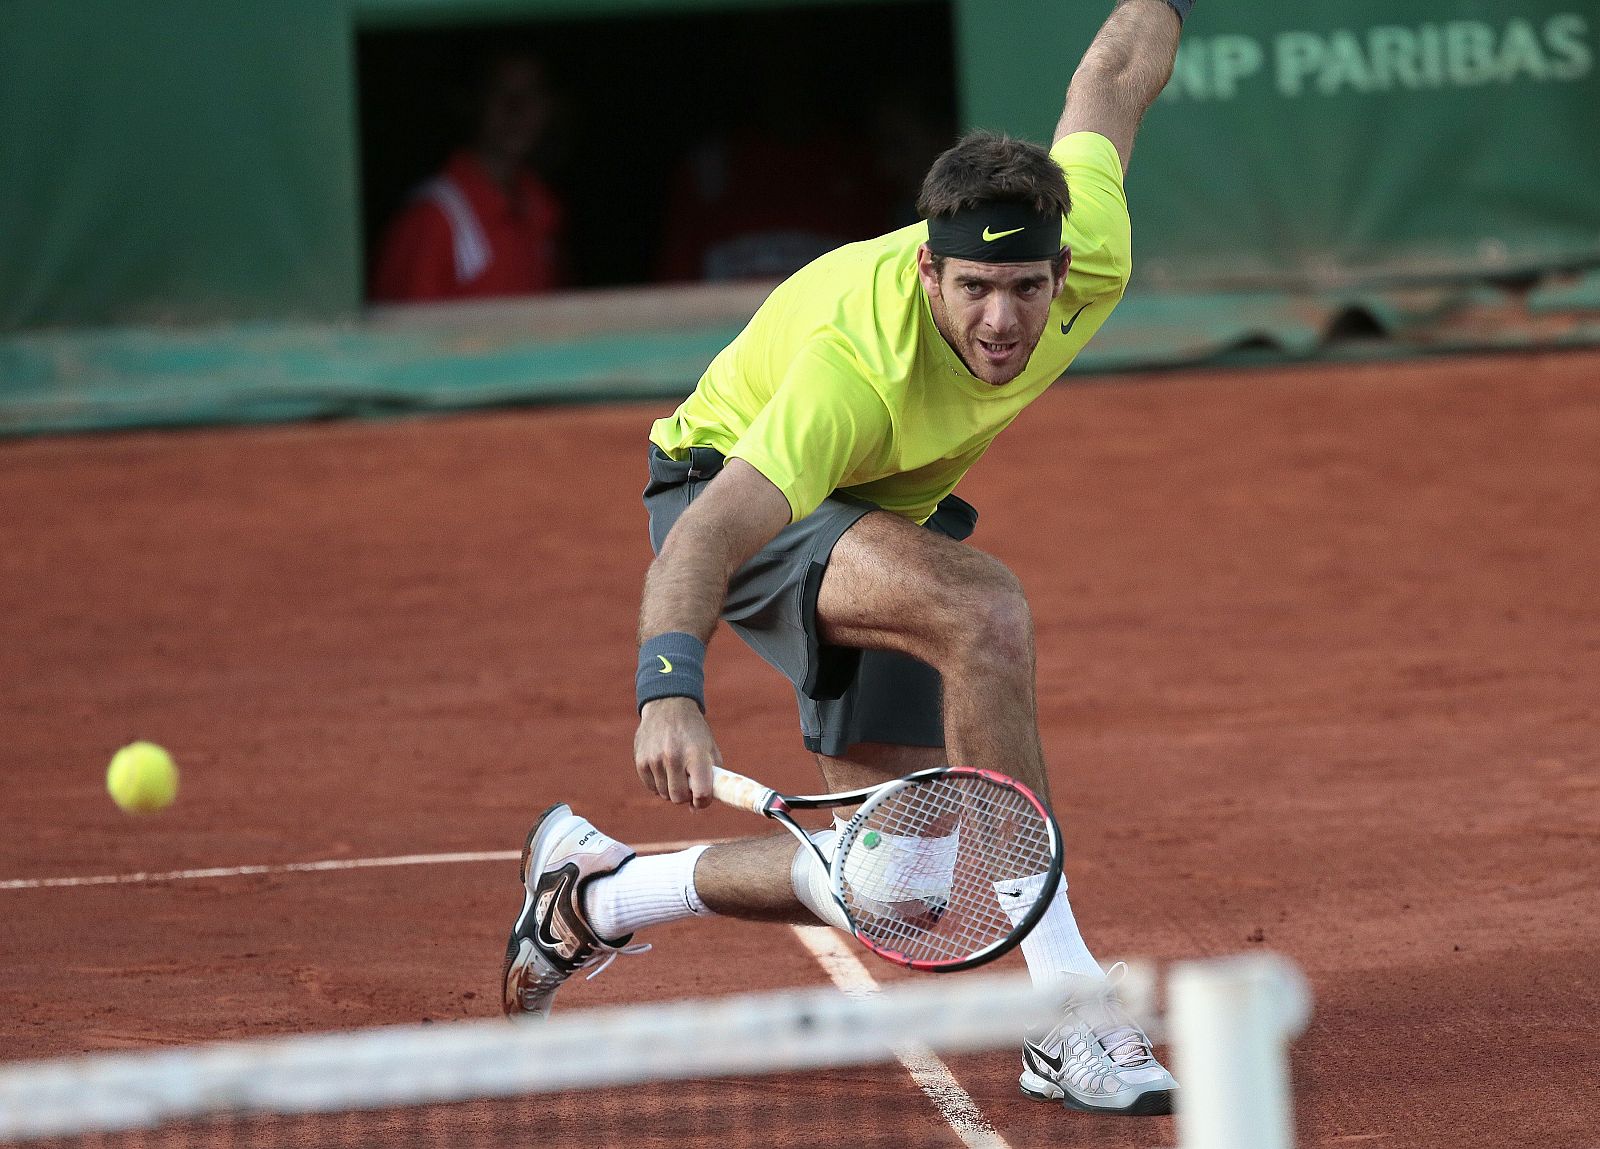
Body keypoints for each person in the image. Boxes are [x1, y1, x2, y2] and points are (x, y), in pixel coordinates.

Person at [502, 0, 1190, 1117]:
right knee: (985, 611)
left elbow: (1114, 72)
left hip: (876, 514)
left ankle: (600, 891)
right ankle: (1069, 1013)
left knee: (896, 887)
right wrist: (666, 686)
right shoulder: (851, 369)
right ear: (928, 274)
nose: (1004, 320)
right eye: (974, 289)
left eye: (1027, 288)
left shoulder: (1088, 255)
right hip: (731, 492)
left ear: (1066, 268)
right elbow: (713, 530)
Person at [371, 47, 564, 302]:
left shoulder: (541, 208)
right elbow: (400, 339)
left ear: (549, 105)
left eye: (532, 92)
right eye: (499, 90)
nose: (517, 108)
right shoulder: (432, 218)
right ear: (471, 100)